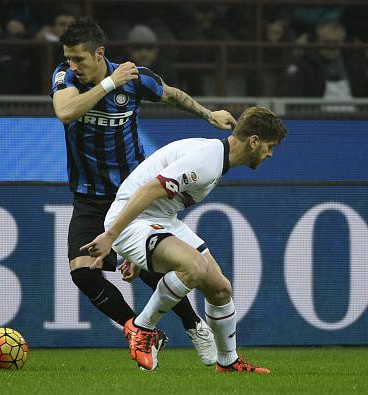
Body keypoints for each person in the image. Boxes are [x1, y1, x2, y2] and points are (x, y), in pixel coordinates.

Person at [51, 17, 237, 366]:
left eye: (79, 59)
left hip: (130, 190)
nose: (72, 66)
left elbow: (170, 94)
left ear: (99, 53)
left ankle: (195, 325)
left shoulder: (135, 79)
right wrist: (109, 82)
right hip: (89, 194)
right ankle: (137, 329)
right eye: (68, 58)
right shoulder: (66, 78)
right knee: (82, 272)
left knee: (152, 267)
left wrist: (208, 114)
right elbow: (65, 112)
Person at [81, 106, 287, 371]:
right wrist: (112, 236)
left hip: (159, 219)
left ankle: (228, 362)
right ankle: (141, 328)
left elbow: (158, 195)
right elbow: (150, 188)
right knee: (193, 266)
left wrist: (138, 256)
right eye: (269, 146)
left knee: (220, 289)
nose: (270, 154)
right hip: (133, 220)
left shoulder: (215, 156)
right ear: (254, 141)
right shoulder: (207, 161)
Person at [280, 18, 368, 98]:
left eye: (336, 42)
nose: (331, 47)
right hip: (316, 119)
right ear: (318, 41)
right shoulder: (303, 66)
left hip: (356, 120)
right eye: (327, 42)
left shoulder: (357, 66)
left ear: (342, 42)